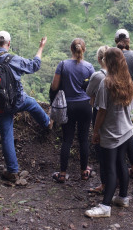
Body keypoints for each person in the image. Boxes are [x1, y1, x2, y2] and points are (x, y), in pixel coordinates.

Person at [0, 27, 51, 182]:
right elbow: (34, 65)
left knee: (6, 136)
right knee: (32, 103)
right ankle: (47, 123)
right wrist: (40, 48)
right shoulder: (14, 60)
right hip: (17, 101)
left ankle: (13, 171)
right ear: (8, 44)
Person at [85, 48, 133, 218]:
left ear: (107, 62)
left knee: (110, 167)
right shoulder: (127, 80)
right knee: (122, 163)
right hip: (126, 130)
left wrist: (96, 131)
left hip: (111, 132)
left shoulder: (106, 83)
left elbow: (101, 111)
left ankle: (105, 206)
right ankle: (123, 197)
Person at [51, 38, 95, 183]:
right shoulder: (89, 67)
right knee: (83, 139)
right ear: (84, 49)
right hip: (85, 105)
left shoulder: (62, 65)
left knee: (67, 140)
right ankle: (84, 172)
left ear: (71, 49)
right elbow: (94, 88)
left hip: (68, 106)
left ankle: (62, 173)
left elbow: (54, 86)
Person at [114, 29, 133, 180]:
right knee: (127, 124)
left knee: (125, 128)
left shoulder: (113, 55)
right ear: (128, 41)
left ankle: (127, 165)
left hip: (123, 94)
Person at [86, 45, 109, 194]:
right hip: (115, 116)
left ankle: (104, 184)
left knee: (101, 150)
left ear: (99, 59)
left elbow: (89, 92)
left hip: (100, 112)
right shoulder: (119, 74)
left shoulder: (97, 76)